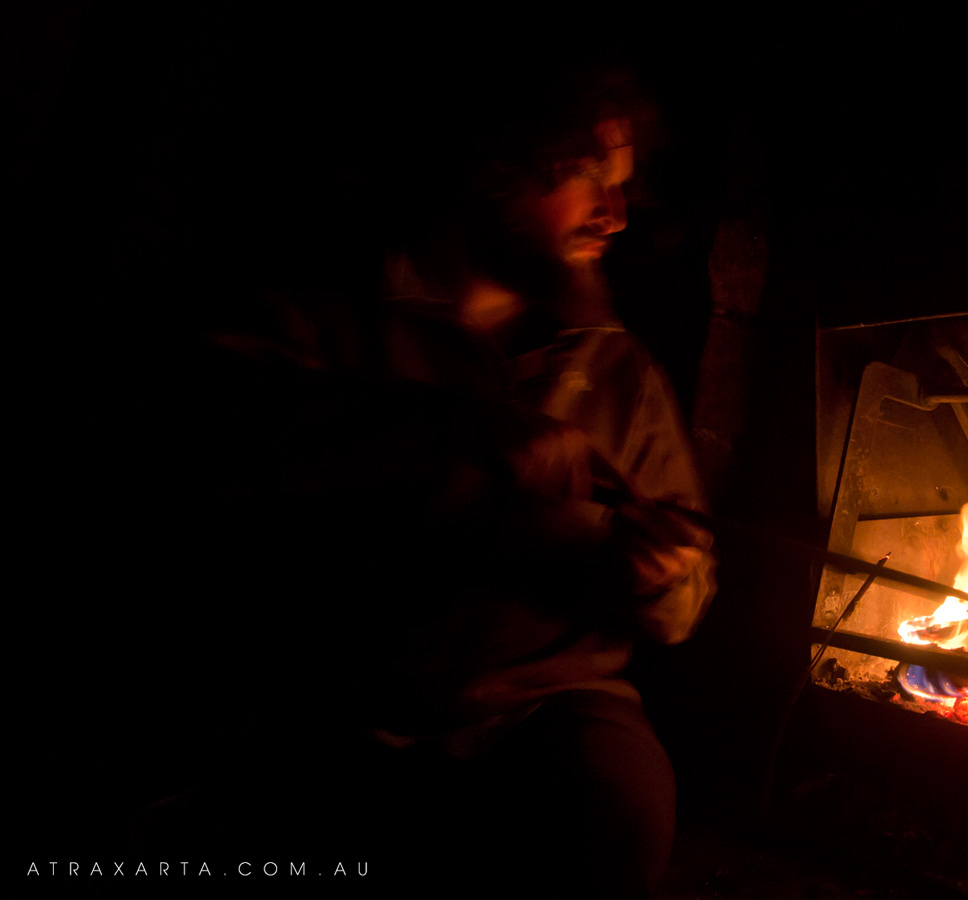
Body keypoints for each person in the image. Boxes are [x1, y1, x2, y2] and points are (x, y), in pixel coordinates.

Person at [159, 63, 713, 896]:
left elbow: (685, 589)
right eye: (592, 178)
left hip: (536, 708)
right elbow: (205, 436)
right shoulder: (320, 313)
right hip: (319, 698)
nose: (616, 215)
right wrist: (455, 434)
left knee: (617, 804)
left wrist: (663, 581)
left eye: (624, 187)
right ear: (501, 168)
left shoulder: (621, 369)